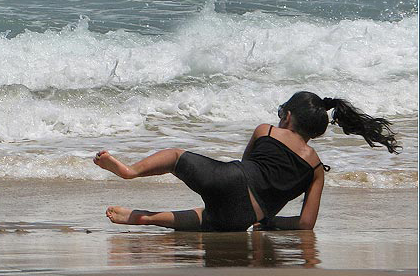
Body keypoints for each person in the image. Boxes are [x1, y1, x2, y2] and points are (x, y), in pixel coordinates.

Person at [93, 91, 401, 232]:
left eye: (281, 113)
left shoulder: (265, 131)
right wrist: (268, 222)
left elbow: (245, 166)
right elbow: (306, 224)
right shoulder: (317, 169)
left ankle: (130, 172)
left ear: (287, 116)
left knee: (176, 157)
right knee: (208, 218)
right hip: (243, 219)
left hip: (232, 180)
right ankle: (146, 218)